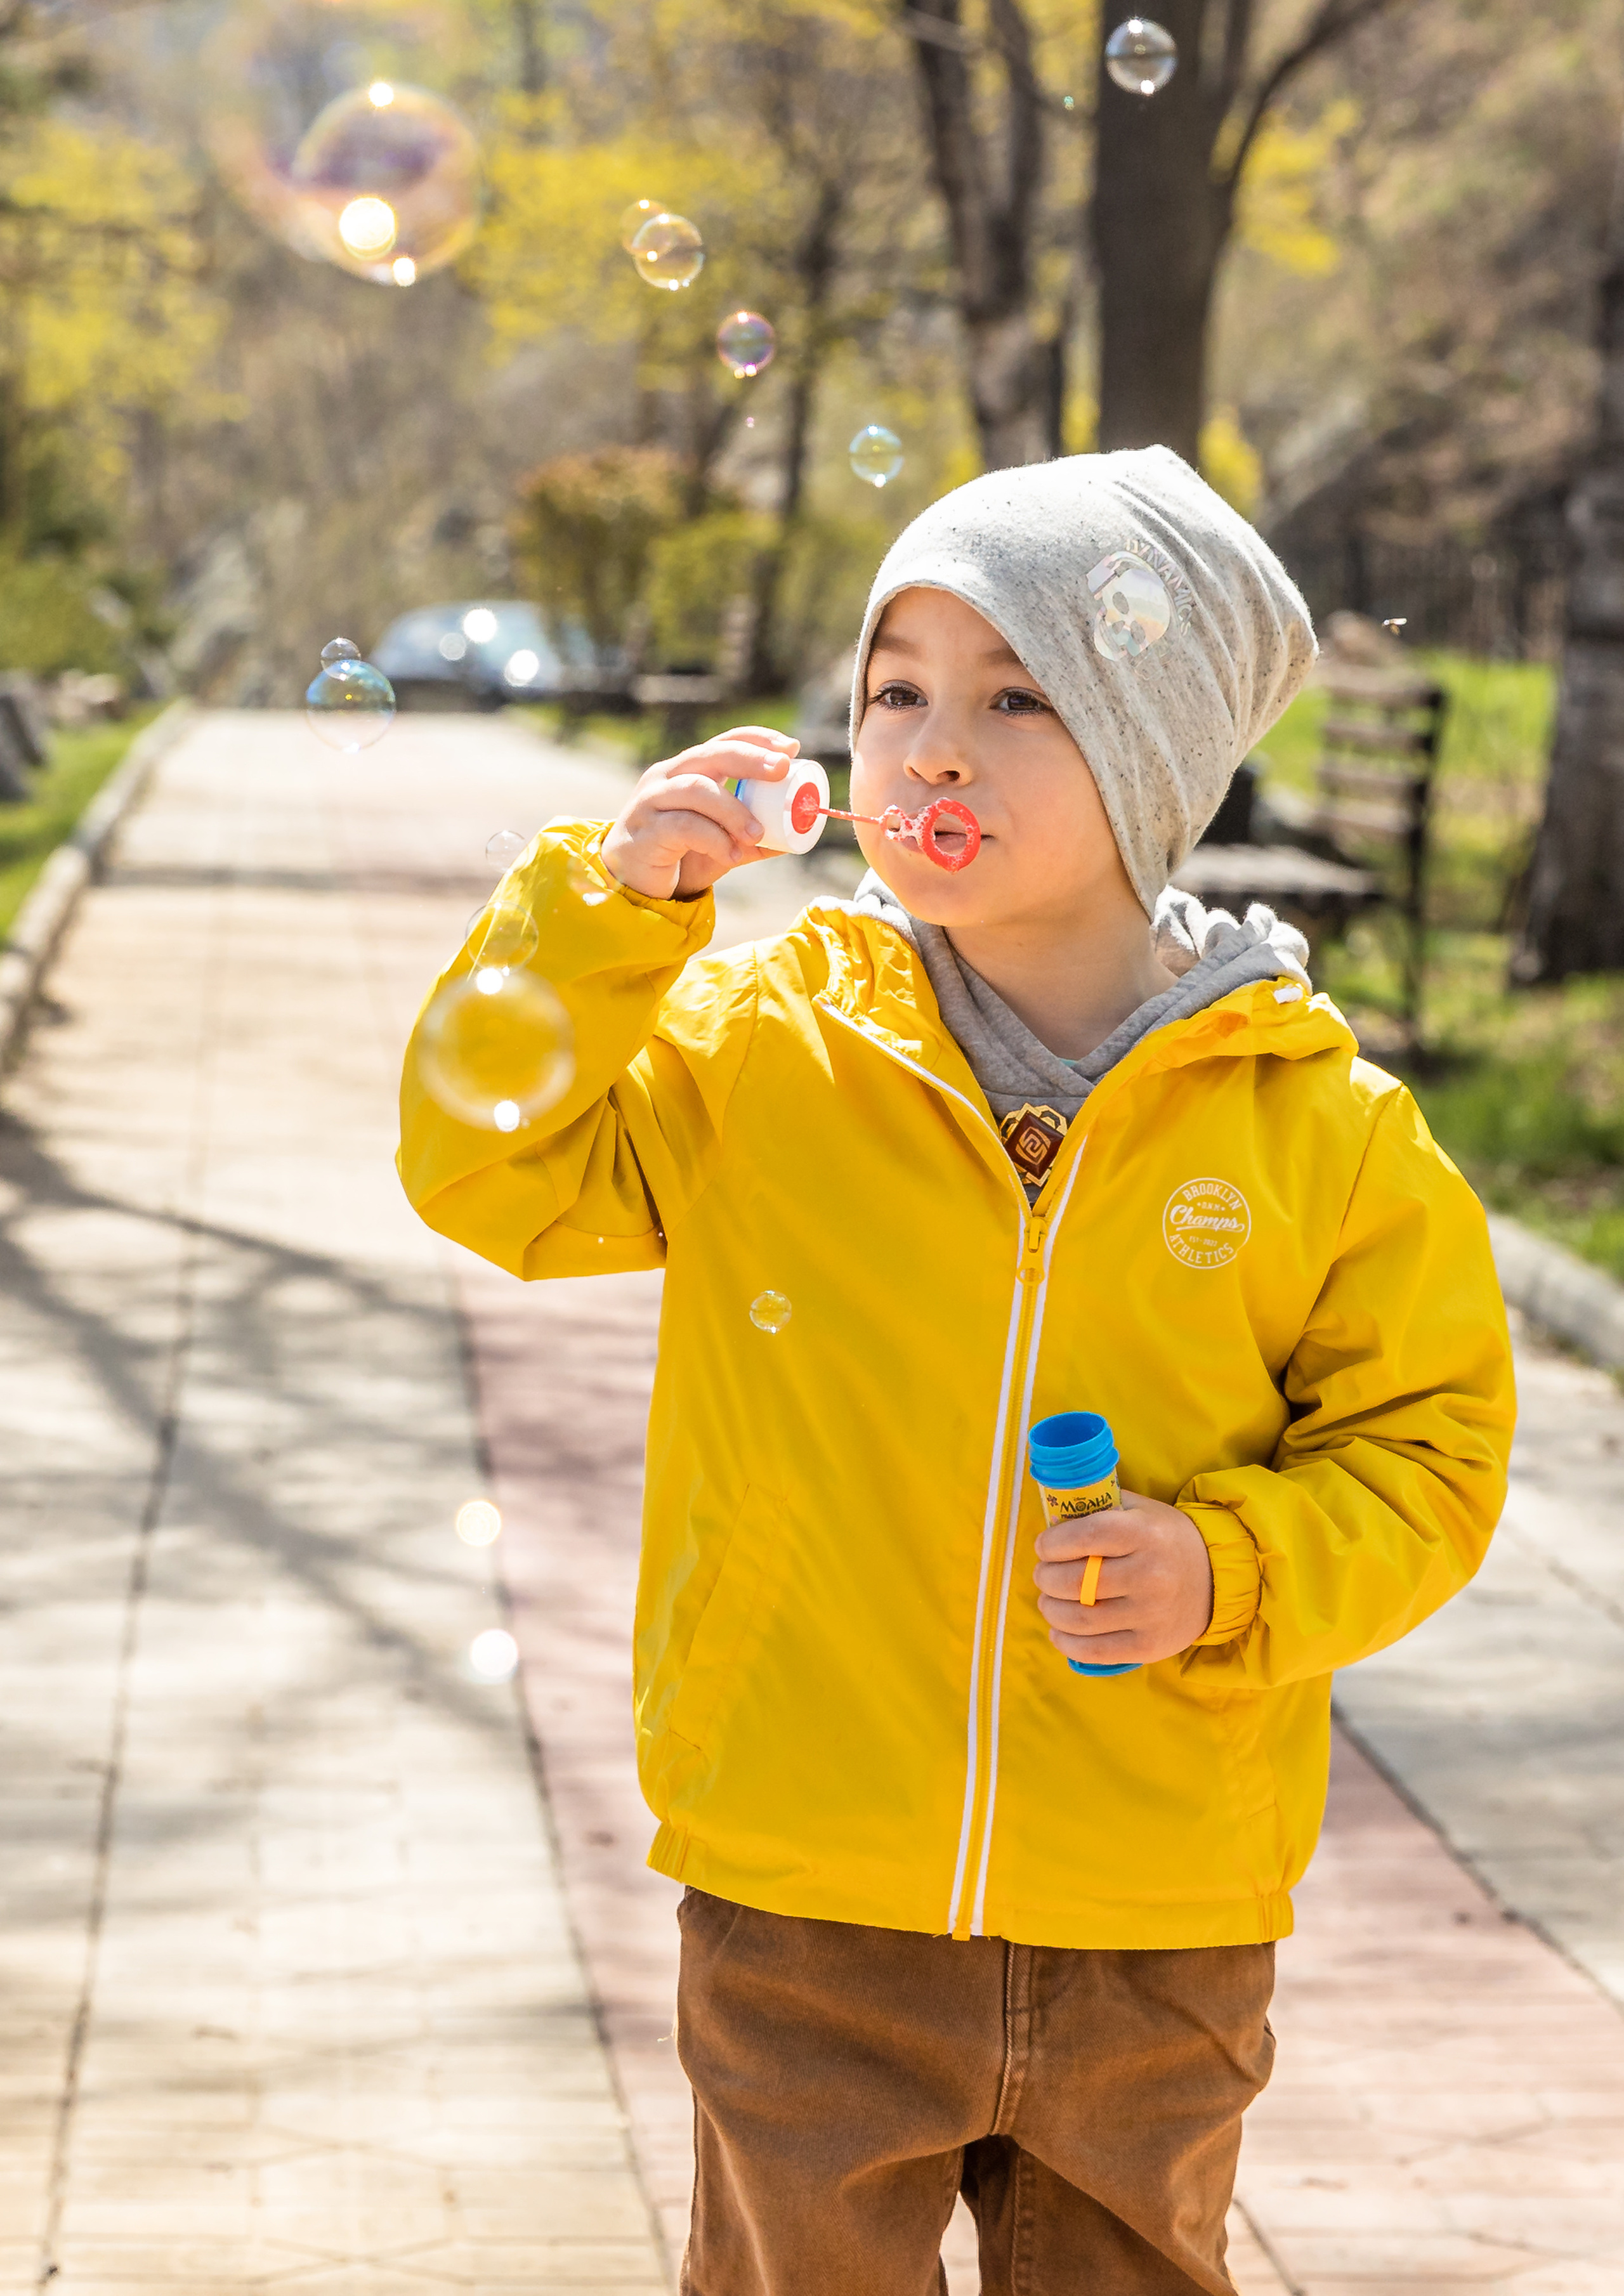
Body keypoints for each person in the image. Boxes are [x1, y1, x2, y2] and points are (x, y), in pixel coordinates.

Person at [398, 447, 1515, 2295]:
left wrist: (1225, 1565)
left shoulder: (1321, 1128)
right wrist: (608, 916)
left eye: (1017, 697)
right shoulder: (765, 1043)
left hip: (1155, 1908)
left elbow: (1432, 1458)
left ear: (1152, 757)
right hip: (803, 1886)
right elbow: (484, 1167)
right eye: (895, 689)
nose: (932, 746)